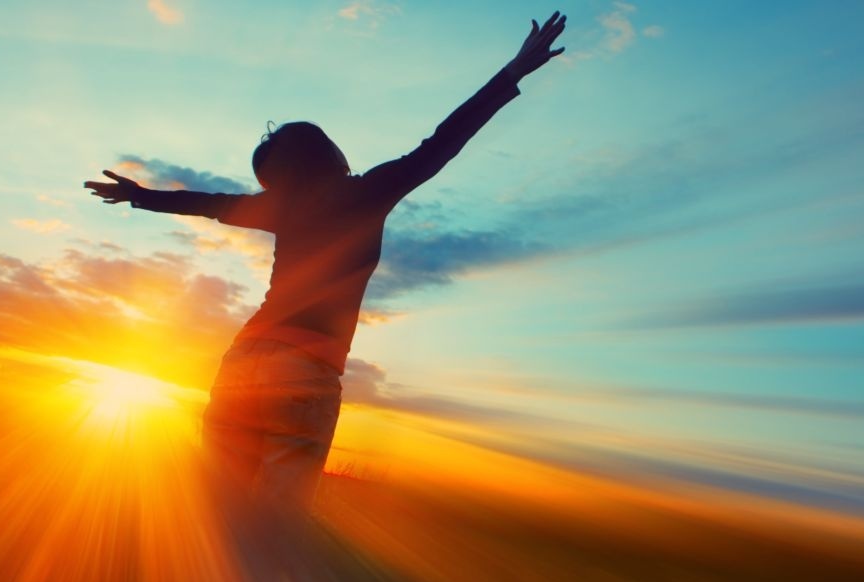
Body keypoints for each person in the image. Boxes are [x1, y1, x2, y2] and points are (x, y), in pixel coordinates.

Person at [84, 12, 567, 516]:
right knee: (272, 531)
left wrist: (140, 196)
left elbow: (207, 202)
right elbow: (445, 140)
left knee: (216, 518)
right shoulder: (367, 192)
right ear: (328, 153)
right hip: (304, 371)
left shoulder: (279, 206)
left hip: (243, 361)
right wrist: (513, 72)